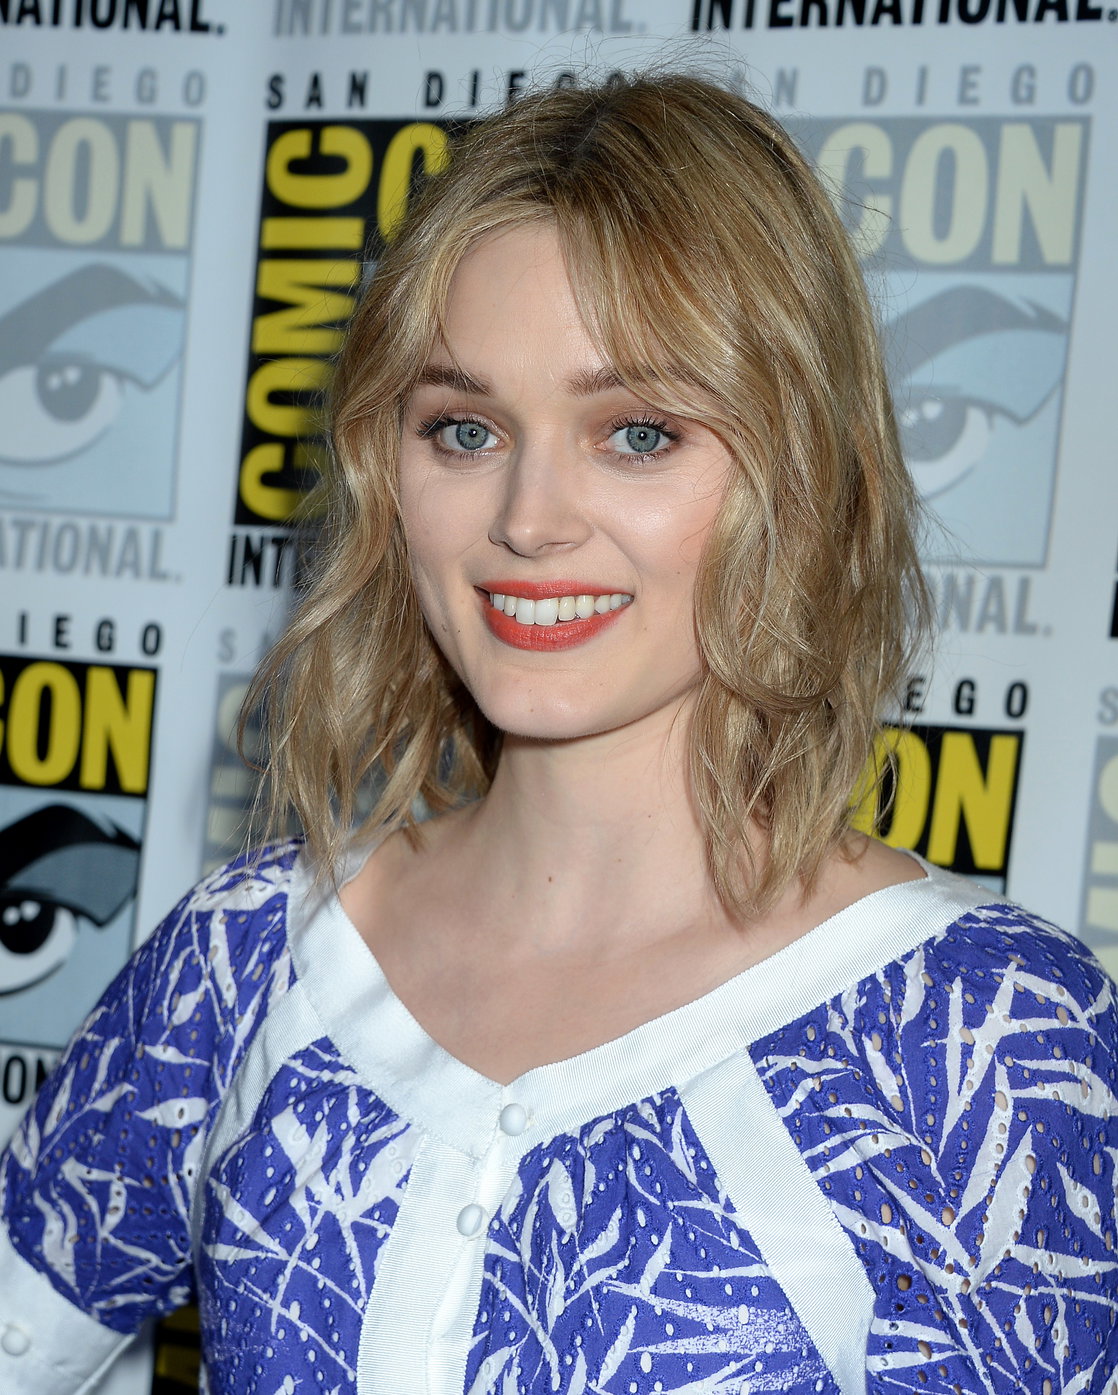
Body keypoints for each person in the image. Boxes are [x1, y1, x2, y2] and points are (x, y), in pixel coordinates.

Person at [1, 72, 1115, 1395]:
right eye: (464, 429)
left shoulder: (988, 1035)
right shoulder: (245, 964)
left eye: (636, 433)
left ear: (803, 473)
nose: (529, 519)